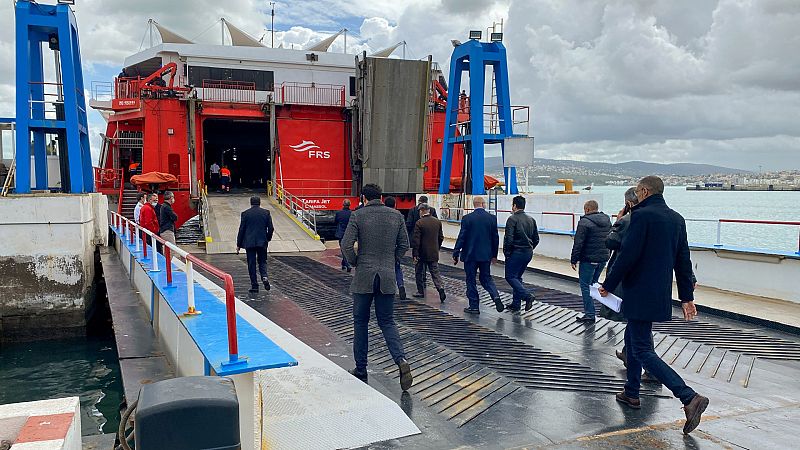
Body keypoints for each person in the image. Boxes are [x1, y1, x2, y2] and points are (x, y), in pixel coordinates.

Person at [600, 176, 709, 435]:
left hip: (638, 293)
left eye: (638, 192)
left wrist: (608, 283)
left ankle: (688, 397)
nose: (637, 196)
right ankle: (631, 393)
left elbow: (628, 254)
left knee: (642, 350)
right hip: (659, 294)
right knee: (634, 339)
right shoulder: (676, 219)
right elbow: (683, 261)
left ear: (645, 191)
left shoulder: (642, 216)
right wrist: (686, 298)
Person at [342, 184, 412, 391]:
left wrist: (355, 262)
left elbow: (346, 244)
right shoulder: (396, 216)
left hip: (364, 276)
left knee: (360, 322)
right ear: (381, 197)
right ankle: (401, 360)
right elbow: (404, 245)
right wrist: (391, 262)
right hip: (387, 277)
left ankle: (361, 369)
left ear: (364, 197)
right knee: (387, 322)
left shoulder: (358, 215)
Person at [453, 196, 503, 314]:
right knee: (486, 278)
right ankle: (495, 296)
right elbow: (495, 238)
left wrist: (456, 252)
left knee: (471, 280)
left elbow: (462, 237)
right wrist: (494, 255)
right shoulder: (492, 218)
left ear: (474, 204)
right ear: (482, 203)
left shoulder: (467, 218)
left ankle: (474, 306)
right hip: (486, 255)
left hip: (470, 256)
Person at [570, 200, 612, 323]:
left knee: (586, 286)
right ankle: (610, 307)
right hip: (603, 258)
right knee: (594, 284)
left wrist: (574, 259)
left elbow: (578, 242)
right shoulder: (607, 219)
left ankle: (590, 314)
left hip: (589, 260)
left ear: (587, 209)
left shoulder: (584, 222)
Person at [503, 195, 539, 312]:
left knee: (510, 277)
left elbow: (509, 238)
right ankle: (516, 303)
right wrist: (530, 248)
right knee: (517, 277)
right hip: (528, 252)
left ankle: (527, 296)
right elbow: (536, 239)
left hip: (516, 252)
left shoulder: (512, 219)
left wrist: (507, 253)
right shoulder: (531, 219)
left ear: (514, 206)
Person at [236, 196, 274, 293]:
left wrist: (238, 244)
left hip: (250, 243)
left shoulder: (245, 214)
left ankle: (254, 286)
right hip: (262, 242)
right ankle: (264, 277)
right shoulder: (266, 213)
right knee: (262, 261)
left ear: (251, 203)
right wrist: (267, 238)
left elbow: (242, 230)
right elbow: (271, 228)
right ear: (260, 203)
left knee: (251, 264)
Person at [411, 204, 446, 302]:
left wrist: (415, 254)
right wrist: (437, 248)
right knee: (435, 272)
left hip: (422, 253)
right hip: (433, 252)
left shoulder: (419, 223)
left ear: (421, 211)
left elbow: (416, 240)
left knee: (419, 272)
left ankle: (420, 291)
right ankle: (440, 288)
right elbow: (441, 237)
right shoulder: (437, 222)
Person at [383, 197, 407, 299]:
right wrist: (398, 255)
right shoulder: (399, 216)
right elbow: (404, 241)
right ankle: (401, 285)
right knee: (397, 269)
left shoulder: (382, 217)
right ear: (395, 205)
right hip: (395, 248)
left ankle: (386, 289)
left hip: (384, 249)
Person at [334, 199, 353, 273]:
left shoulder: (339, 213)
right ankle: (343, 263)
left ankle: (348, 265)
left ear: (343, 204)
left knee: (343, 249)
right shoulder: (352, 213)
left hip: (341, 233)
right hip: (349, 233)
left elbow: (335, 222)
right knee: (346, 248)